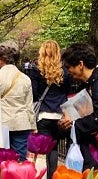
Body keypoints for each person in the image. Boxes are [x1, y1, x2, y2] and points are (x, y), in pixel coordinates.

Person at [58, 43, 98, 178]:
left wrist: (75, 124)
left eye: (69, 67)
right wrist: (65, 124)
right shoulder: (88, 84)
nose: (68, 72)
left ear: (80, 64)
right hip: (89, 150)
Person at [0, 41, 35, 161]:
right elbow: (29, 106)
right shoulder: (25, 79)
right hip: (20, 124)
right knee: (19, 161)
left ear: (1, 58)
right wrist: (33, 126)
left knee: (0, 161)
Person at [27, 40, 71, 178]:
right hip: (59, 115)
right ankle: (53, 175)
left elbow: (33, 93)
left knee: (41, 150)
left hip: (43, 114)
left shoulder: (35, 71)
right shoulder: (65, 72)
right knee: (54, 149)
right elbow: (67, 92)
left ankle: (41, 175)